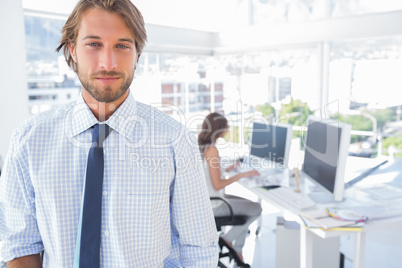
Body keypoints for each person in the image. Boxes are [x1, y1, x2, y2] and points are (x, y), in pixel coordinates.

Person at [0, 0, 218, 267]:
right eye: (94, 44)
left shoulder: (175, 140)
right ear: (73, 50)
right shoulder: (28, 142)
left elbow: (198, 249)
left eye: (122, 46)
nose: (108, 62)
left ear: (137, 53)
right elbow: (20, 245)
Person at [198, 112, 262, 262]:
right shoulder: (212, 150)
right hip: (214, 204)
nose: (227, 130)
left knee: (248, 206)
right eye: (226, 127)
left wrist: (227, 168)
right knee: (256, 209)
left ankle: (237, 250)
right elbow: (218, 184)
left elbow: (209, 170)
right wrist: (240, 175)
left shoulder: (201, 145)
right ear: (219, 130)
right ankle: (228, 239)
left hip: (207, 200)